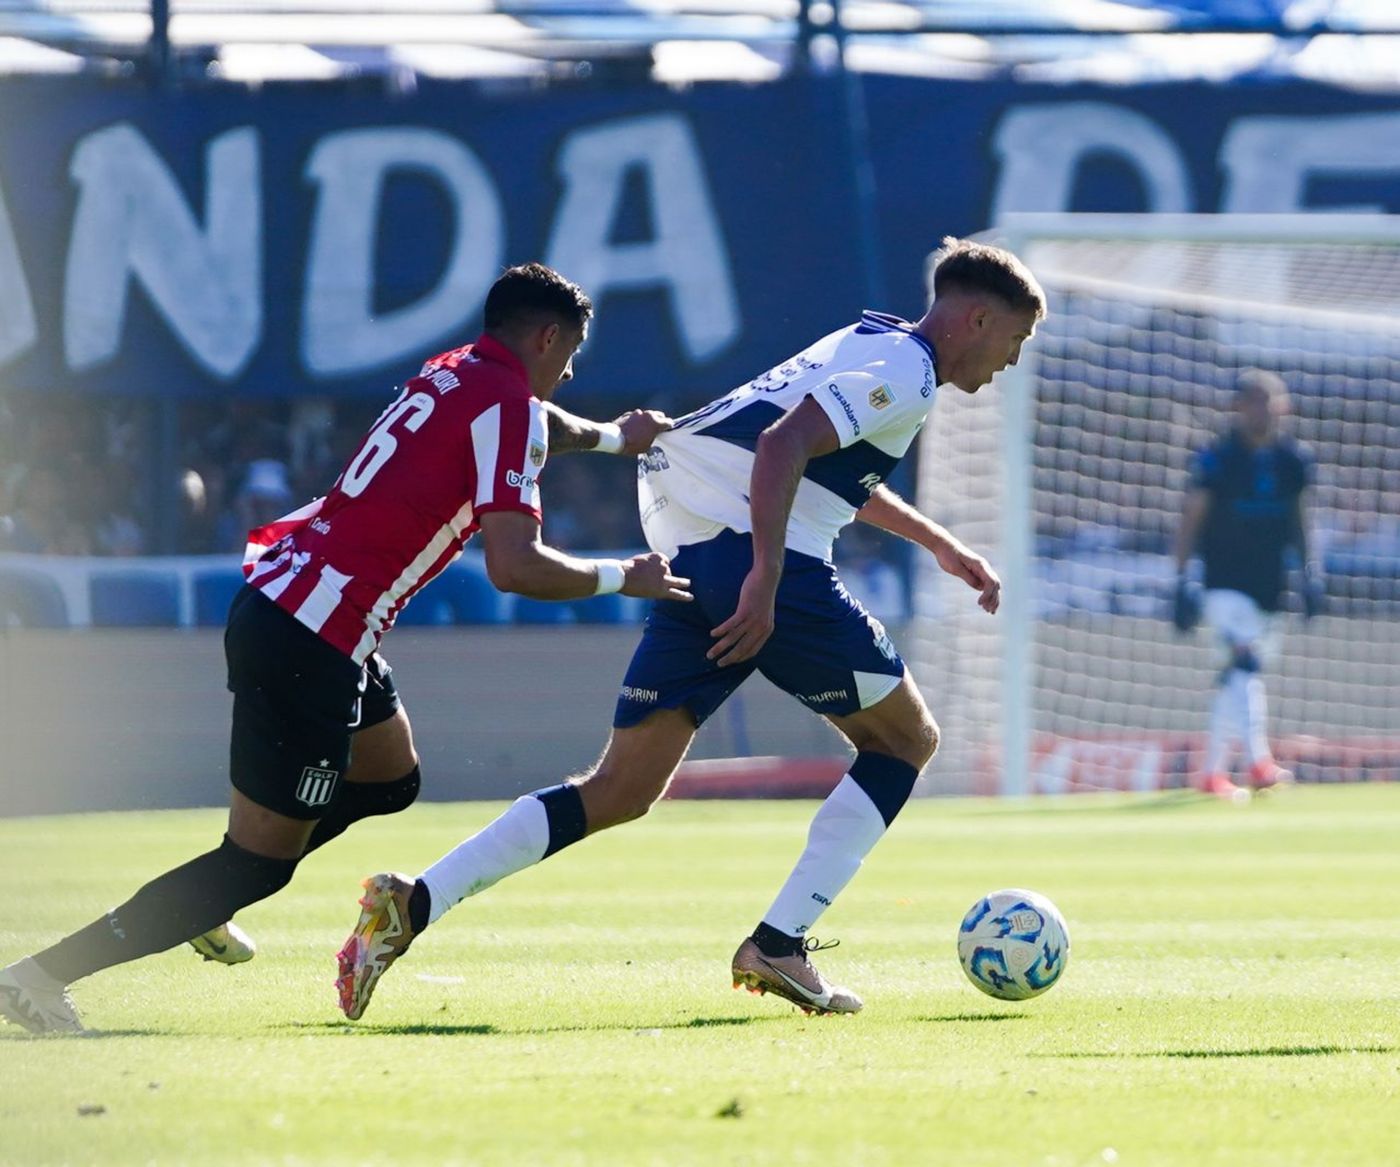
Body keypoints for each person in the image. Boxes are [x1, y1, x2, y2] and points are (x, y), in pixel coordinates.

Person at [335, 236, 1046, 1021]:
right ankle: (780, 940)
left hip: (694, 553)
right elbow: (782, 446)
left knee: (619, 789)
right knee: (905, 740)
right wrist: (767, 579)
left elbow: (809, 454)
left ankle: (413, 902)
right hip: (754, 562)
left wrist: (939, 543)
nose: (1010, 361)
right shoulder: (908, 369)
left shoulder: (870, 339)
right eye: (1014, 340)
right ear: (978, 319)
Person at [0, 262, 692, 1034]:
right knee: (258, 862)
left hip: (301, 606)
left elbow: (537, 425)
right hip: (310, 634)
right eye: (570, 355)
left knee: (390, 778)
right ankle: (39, 976)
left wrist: (610, 438)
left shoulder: (456, 373)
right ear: (546, 336)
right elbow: (514, 564)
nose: (570, 372)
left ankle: (210, 893)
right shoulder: (507, 404)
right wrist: (622, 577)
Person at [1171, 368, 1322, 800]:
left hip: (1270, 586)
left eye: (1269, 401)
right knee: (1245, 666)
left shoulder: (1294, 460)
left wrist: (1309, 572)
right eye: (1253, 401)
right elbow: (1191, 518)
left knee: (1234, 678)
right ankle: (1259, 762)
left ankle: (1212, 772)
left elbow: (1300, 518)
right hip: (1222, 583)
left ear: (1283, 407)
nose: (1262, 410)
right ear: (1238, 408)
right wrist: (1181, 578)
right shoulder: (1217, 459)